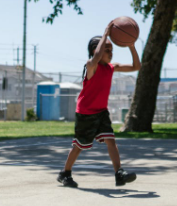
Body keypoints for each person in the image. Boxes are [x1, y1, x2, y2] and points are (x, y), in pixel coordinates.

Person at [58, 22, 141, 188]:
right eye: (107, 49)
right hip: (86, 113)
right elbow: (95, 57)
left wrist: (131, 46)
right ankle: (65, 173)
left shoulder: (111, 68)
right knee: (79, 146)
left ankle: (119, 174)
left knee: (111, 140)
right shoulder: (91, 66)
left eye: (112, 50)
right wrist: (105, 34)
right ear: (96, 51)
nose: (110, 53)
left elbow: (136, 66)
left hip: (101, 112)